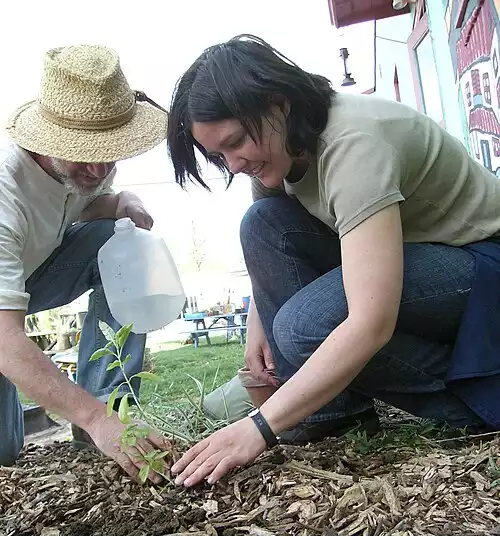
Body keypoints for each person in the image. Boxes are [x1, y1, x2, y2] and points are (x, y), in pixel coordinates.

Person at [166, 34, 500, 487]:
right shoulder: (277, 152)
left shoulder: (354, 145)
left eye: (237, 142)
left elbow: (370, 323)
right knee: (261, 221)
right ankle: (334, 412)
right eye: (219, 156)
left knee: (305, 326)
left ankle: (474, 399)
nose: (235, 164)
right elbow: (270, 234)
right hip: (423, 254)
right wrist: (256, 325)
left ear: (278, 102)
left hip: (483, 263)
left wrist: (259, 427)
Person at [0, 44, 171, 482]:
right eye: (82, 152)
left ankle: (110, 403)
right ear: (47, 138)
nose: (97, 169)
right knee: (3, 451)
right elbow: (4, 338)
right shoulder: (6, 193)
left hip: (29, 276)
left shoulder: (86, 171)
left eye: (109, 150)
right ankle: (98, 419)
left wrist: (123, 201)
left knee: (111, 241)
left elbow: (85, 210)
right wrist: (98, 420)